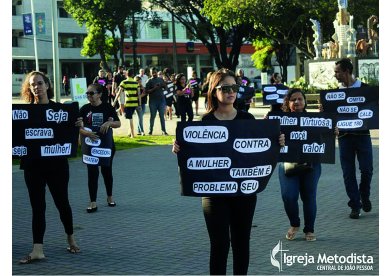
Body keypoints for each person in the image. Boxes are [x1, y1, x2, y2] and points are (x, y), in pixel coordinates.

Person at [173, 68, 285, 275]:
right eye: (225, 88)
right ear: (214, 91)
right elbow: (193, 154)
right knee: (220, 243)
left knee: (241, 242)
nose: (231, 91)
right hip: (214, 194)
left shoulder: (248, 120)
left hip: (244, 192)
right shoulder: (205, 122)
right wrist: (180, 148)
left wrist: (276, 143)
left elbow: (261, 152)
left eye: (234, 87)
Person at [18, 71, 80, 264]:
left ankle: (70, 237)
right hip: (32, 166)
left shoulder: (62, 111)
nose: (36, 87)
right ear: (29, 89)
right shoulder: (23, 114)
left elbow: (72, 140)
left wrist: (76, 126)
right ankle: (38, 249)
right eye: (32, 84)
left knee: (62, 203)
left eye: (39, 83)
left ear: (47, 85)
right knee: (38, 207)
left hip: (57, 166)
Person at [279, 88, 321, 242]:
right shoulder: (280, 120)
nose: (297, 102)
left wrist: (333, 131)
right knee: (288, 196)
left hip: (311, 163)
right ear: (288, 103)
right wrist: (267, 126)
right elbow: (269, 139)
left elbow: (325, 137)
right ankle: (294, 223)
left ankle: (309, 229)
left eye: (300, 99)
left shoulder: (314, 119)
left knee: (309, 196)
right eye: (293, 99)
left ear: (305, 101)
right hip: (288, 164)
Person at [333, 58, 373, 219]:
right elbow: (333, 116)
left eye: (337, 72)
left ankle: (364, 195)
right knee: (348, 173)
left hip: (363, 136)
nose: (335, 75)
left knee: (367, 169)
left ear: (347, 71)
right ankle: (355, 205)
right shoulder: (335, 94)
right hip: (344, 137)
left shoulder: (365, 90)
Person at [79, 83, 121, 213]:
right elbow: (78, 127)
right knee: (92, 172)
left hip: (106, 146)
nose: (89, 96)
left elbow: (118, 123)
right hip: (90, 147)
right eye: (87, 93)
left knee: (106, 171)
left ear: (99, 94)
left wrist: (109, 122)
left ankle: (109, 197)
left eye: (91, 93)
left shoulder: (108, 107)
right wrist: (85, 132)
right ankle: (93, 202)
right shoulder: (84, 109)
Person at [145, 67, 168, 135]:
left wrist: (164, 85)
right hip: (153, 101)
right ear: (150, 73)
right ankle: (150, 130)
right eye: (153, 72)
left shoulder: (161, 79)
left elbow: (166, 88)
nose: (154, 73)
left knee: (162, 116)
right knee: (153, 116)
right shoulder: (149, 81)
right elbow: (146, 92)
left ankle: (163, 130)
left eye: (155, 72)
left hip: (161, 100)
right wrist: (154, 88)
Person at [117, 69, 139, 138]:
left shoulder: (124, 82)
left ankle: (132, 134)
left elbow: (119, 92)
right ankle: (130, 132)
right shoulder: (136, 83)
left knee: (129, 118)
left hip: (128, 102)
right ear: (133, 75)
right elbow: (138, 94)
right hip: (135, 103)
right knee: (130, 117)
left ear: (126, 74)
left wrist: (114, 101)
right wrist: (140, 104)